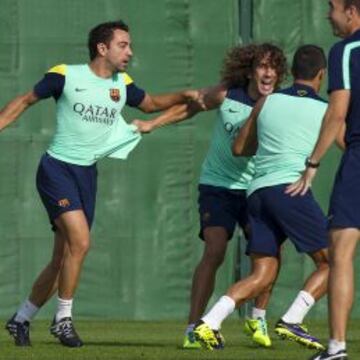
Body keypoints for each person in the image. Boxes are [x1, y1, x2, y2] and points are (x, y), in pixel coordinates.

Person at [0, 20, 201, 348]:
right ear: (102, 48)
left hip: (86, 175)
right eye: (123, 45)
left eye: (130, 45)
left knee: (63, 257)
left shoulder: (123, 84)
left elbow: (150, 104)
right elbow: (23, 101)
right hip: (56, 170)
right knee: (81, 243)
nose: (130, 52)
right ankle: (62, 320)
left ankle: (21, 319)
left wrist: (185, 94)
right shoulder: (65, 75)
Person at [134, 43, 287, 349]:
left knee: (269, 254)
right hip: (217, 187)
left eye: (273, 67)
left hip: (256, 188)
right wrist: (152, 123)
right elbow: (192, 106)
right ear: (250, 70)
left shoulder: (280, 104)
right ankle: (193, 326)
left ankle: (257, 317)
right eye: (262, 66)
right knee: (215, 250)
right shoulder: (228, 93)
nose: (267, 73)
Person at [191, 45, 331, 351]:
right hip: (290, 190)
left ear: (291, 73)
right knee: (334, 261)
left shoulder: (267, 101)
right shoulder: (326, 109)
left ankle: (209, 323)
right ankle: (293, 319)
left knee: (263, 272)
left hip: (256, 193)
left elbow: (240, 148)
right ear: (322, 75)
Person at [287, 1, 360, 360]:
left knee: (341, 252)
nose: (328, 15)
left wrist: (312, 163)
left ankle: (336, 348)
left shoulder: (346, 49)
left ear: (352, 11)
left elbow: (337, 112)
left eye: (332, 7)